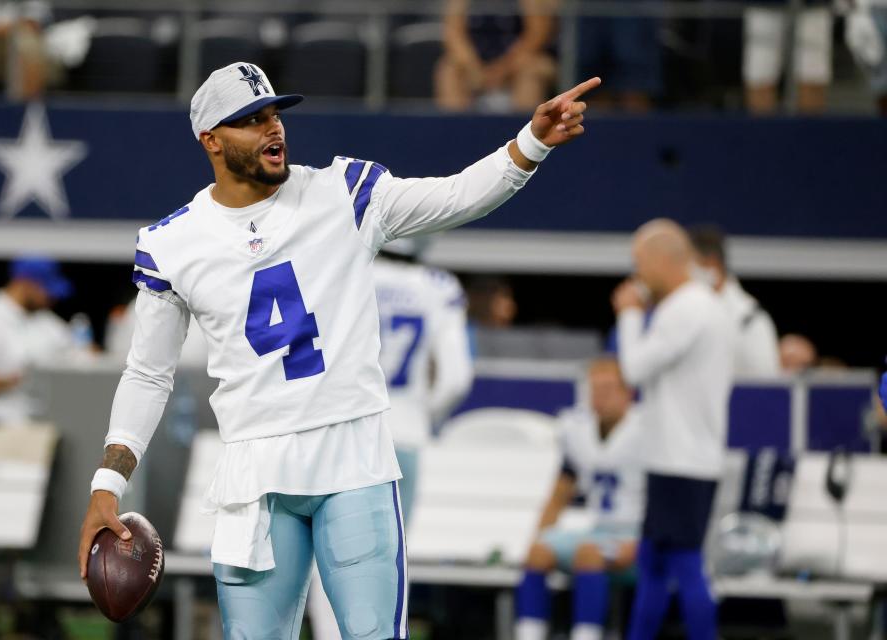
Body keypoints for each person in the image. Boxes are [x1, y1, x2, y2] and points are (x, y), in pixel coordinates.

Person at [76, 60, 601, 640]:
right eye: (251, 120)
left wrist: (530, 144)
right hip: (254, 471)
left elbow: (455, 197)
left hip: (353, 455)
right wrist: (108, 485)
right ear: (213, 141)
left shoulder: (343, 192)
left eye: (274, 114)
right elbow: (148, 376)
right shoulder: (171, 242)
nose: (272, 129)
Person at [307, 239, 475, 639]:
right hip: (404, 433)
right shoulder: (438, 286)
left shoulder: (343, 270)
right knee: (390, 556)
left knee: (326, 555)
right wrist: (421, 413)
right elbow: (456, 378)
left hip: (343, 429)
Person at [612, 219, 733, 640]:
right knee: (654, 562)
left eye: (639, 264)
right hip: (678, 458)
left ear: (664, 261)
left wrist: (629, 314)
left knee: (682, 563)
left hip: (684, 461)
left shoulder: (687, 307)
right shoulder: (698, 305)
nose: (635, 275)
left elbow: (633, 368)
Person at [514, 357, 644, 640]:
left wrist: (641, 544)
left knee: (589, 553)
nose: (600, 398)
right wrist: (537, 537)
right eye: (595, 390)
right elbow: (560, 492)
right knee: (538, 552)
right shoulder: (579, 431)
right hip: (599, 531)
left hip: (638, 536)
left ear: (627, 394)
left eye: (608, 390)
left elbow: (663, 500)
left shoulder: (647, 431)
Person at [0, 256, 73, 425]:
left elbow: (78, 356)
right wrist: (16, 381)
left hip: (46, 423)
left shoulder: (49, 322)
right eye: (45, 289)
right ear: (24, 283)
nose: (51, 296)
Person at [689, 225, 780, 377]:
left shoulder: (750, 318)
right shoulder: (687, 309)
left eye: (688, 265)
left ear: (711, 264)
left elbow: (767, 384)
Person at [436, 0, 557, 112]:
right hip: (476, 66)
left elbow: (537, 34)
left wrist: (502, 70)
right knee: (449, 69)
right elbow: (453, 33)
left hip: (519, 63)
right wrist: (473, 68)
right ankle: (455, 130)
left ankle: (525, 130)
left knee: (531, 72)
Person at [742, 0, 833, 113]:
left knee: (812, 78)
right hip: (764, 6)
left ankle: (810, 130)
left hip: (813, 7)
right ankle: (763, 130)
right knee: (760, 78)